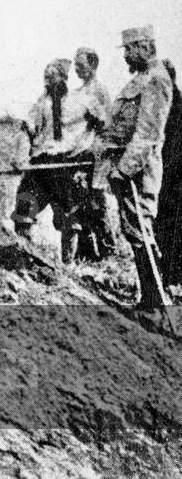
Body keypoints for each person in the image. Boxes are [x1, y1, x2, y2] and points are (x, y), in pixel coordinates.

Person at [96, 25, 173, 308]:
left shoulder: (155, 79)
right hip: (128, 168)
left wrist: (124, 169)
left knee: (140, 232)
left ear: (144, 47)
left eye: (129, 50)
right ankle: (150, 299)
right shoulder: (142, 78)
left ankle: (157, 304)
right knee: (133, 231)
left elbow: (148, 134)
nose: (126, 56)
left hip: (139, 170)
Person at [13, 58, 107, 262]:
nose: (47, 80)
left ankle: (68, 264)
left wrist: (90, 149)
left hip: (67, 164)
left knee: (69, 216)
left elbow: (103, 124)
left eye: (52, 75)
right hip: (40, 164)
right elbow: (26, 130)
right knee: (24, 208)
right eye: (45, 76)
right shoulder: (40, 104)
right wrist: (21, 155)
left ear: (64, 78)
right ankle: (25, 255)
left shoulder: (81, 100)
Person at [72, 46, 117, 260]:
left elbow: (107, 124)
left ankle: (108, 250)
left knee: (96, 204)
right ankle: (86, 252)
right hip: (80, 152)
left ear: (93, 65)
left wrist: (95, 117)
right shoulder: (79, 92)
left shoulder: (99, 90)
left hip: (96, 154)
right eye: (75, 66)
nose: (77, 70)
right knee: (80, 201)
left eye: (81, 66)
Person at [157, 59, 182, 286]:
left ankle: (171, 278)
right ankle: (168, 277)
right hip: (167, 174)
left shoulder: (173, 101)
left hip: (173, 176)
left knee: (171, 226)